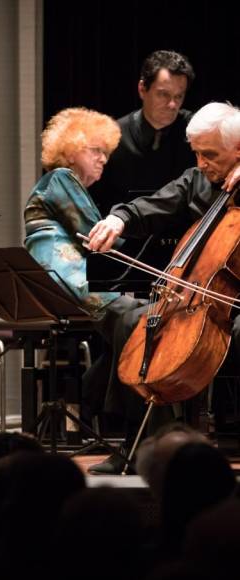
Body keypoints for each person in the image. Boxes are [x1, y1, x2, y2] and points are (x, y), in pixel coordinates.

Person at [87, 101, 240, 473]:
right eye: (197, 154)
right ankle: (143, 443)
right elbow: (151, 206)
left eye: (210, 155)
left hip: (233, 307)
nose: (202, 163)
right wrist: (119, 219)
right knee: (129, 319)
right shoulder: (196, 181)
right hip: (198, 300)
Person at [24, 108, 143, 436]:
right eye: (96, 151)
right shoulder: (62, 179)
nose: (103, 159)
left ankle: (92, 401)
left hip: (68, 277)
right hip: (61, 278)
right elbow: (96, 235)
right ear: (71, 149)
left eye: (106, 153)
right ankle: (120, 416)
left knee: (136, 322)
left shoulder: (66, 184)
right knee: (139, 318)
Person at [89, 50, 196, 216]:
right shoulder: (112, 137)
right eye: (163, 94)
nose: (172, 104)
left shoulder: (197, 131)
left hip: (188, 231)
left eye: (179, 96)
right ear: (142, 89)